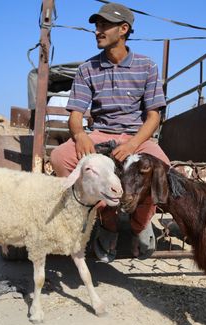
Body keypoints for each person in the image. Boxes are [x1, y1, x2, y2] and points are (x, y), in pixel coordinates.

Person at [50, 2, 169, 262]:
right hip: (100, 132)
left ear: (123, 29)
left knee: (162, 166)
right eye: (96, 25)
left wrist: (133, 145)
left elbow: (153, 116)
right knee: (60, 157)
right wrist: (81, 136)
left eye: (104, 25)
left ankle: (140, 224)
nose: (97, 31)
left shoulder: (146, 66)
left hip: (136, 135)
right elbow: (76, 115)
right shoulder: (87, 69)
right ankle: (108, 223)